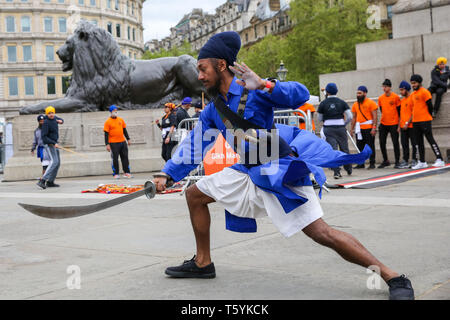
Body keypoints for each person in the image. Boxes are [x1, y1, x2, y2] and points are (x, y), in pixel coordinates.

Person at [152, 31, 414, 300]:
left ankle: (392, 276)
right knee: (195, 195)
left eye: (203, 69)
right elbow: (195, 144)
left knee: (322, 233)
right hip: (247, 172)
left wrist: (265, 84)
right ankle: (203, 263)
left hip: (278, 170)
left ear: (221, 65)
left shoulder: (254, 91)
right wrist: (167, 174)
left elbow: (299, 94)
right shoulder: (213, 109)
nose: (200, 76)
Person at [317, 83, 353, 179]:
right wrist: (343, 124)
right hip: (340, 127)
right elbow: (350, 116)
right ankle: (348, 168)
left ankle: (336, 172)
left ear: (327, 92)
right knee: (344, 148)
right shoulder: (342, 102)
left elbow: (319, 118)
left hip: (329, 128)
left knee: (333, 149)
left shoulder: (323, 103)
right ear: (336, 91)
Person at [409, 75, 445, 169]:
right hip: (415, 121)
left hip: (425, 120)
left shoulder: (425, 92)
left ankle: (440, 159)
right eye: (412, 83)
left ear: (419, 83)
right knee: (418, 142)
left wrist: (429, 116)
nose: (413, 85)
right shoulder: (412, 95)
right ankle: (422, 161)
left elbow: (430, 106)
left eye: (415, 83)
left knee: (430, 139)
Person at [350, 86, 378, 169]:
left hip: (368, 127)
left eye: (360, 93)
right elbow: (354, 117)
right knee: (359, 146)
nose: (358, 95)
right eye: (357, 93)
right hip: (359, 128)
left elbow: (375, 116)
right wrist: (352, 129)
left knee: (370, 145)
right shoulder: (355, 104)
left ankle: (372, 162)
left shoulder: (371, 103)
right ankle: (361, 163)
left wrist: (374, 127)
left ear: (365, 93)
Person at [37, 106, 64, 189]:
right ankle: (42, 180)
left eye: (52, 112)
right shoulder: (46, 123)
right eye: (49, 113)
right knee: (54, 161)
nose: (51, 114)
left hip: (55, 143)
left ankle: (50, 182)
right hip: (49, 145)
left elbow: (62, 120)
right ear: (47, 114)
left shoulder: (55, 118)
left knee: (58, 163)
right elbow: (44, 137)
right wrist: (52, 143)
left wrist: (61, 121)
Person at [377, 79, 402, 169]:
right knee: (382, 142)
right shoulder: (380, 98)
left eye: (386, 86)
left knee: (395, 142)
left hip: (394, 123)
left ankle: (397, 161)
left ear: (390, 87)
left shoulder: (395, 97)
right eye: (383, 86)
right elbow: (381, 110)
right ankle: (385, 160)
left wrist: (399, 125)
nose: (384, 88)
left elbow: (400, 112)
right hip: (384, 123)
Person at [104, 105, 132, 179]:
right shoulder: (108, 122)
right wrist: (107, 144)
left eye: (116, 110)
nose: (115, 112)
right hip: (113, 143)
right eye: (114, 110)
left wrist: (128, 139)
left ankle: (127, 172)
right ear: (110, 112)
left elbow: (124, 130)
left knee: (125, 157)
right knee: (115, 159)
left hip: (122, 142)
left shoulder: (120, 120)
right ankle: (116, 173)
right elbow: (106, 134)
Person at [397, 81, 417, 169]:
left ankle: (414, 160)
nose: (400, 92)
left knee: (414, 144)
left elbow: (414, 113)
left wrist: (407, 123)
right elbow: (401, 114)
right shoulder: (402, 100)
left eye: (402, 90)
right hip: (402, 127)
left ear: (406, 89)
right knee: (404, 144)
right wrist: (399, 126)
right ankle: (405, 160)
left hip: (411, 126)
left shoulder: (412, 98)